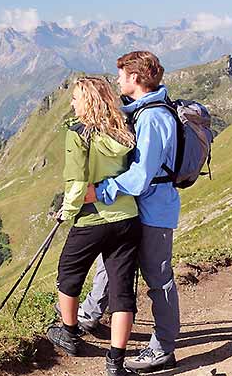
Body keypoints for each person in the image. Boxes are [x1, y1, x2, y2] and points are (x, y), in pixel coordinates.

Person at [82, 50, 181, 372]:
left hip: (154, 210)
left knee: (158, 277)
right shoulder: (141, 110)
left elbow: (141, 177)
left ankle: (163, 348)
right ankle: (91, 313)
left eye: (122, 76)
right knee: (113, 262)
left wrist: (103, 190)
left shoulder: (154, 118)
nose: (119, 80)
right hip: (140, 207)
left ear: (135, 78)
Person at [45, 76, 142, 376]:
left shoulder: (78, 135)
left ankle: (69, 333)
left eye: (75, 98)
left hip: (91, 218)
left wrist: (67, 212)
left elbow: (76, 181)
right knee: (122, 289)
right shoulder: (125, 131)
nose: (71, 103)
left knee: (68, 273)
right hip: (127, 218)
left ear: (87, 101)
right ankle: (116, 362)